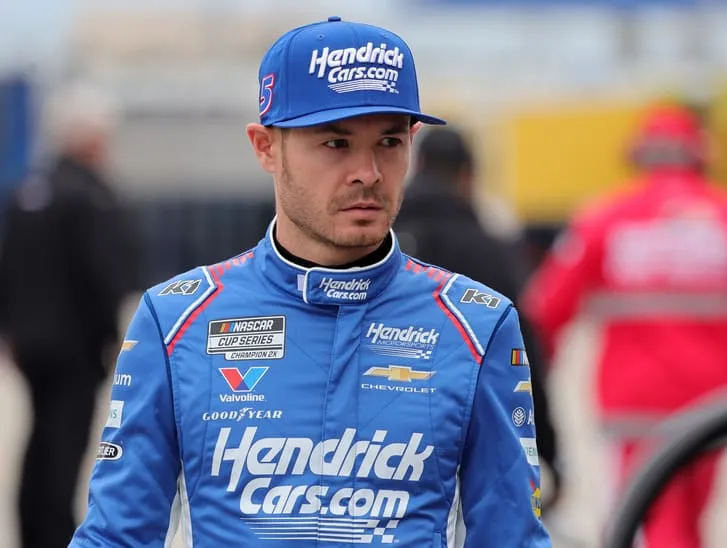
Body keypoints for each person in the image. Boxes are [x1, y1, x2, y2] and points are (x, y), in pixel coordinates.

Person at [69, 17, 551, 547]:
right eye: (335, 143)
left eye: (389, 141)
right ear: (265, 147)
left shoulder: (478, 324)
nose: (368, 171)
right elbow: (115, 536)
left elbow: (512, 536)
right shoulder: (176, 318)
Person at [521, 104, 727, 548]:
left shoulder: (604, 220)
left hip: (632, 405)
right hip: (712, 406)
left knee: (643, 517)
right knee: (687, 518)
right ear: (699, 155)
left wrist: (532, 382)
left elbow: (546, 310)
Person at [0, 82, 142, 548]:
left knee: (37, 443)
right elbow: (105, 275)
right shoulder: (90, 196)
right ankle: (55, 536)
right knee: (63, 446)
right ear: (93, 138)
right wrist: (109, 339)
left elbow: (8, 267)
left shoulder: (27, 192)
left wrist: (12, 332)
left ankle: (29, 531)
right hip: (74, 347)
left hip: (30, 345)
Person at [394, 126, 564, 507]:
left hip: (378, 446)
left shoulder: (379, 242)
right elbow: (521, 356)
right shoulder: (493, 251)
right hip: (465, 441)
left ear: (416, 165)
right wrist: (549, 453)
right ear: (467, 176)